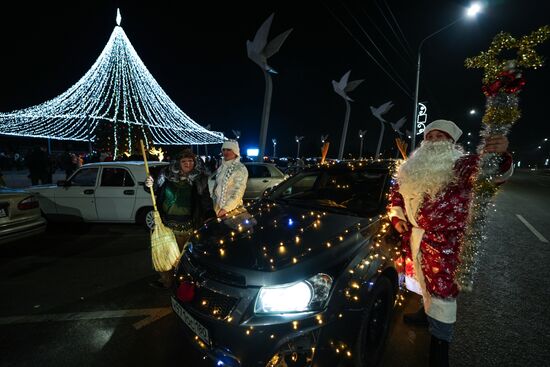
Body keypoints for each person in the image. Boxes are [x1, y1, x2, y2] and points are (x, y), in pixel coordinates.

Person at [388, 119, 512, 367]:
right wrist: (397, 217)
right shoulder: (412, 167)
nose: (434, 141)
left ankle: (440, 347)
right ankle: (425, 314)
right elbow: (397, 194)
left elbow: (487, 170)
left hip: (445, 243)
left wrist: (500, 156)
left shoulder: (459, 166)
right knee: (423, 283)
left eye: (440, 137)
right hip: (416, 237)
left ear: (451, 143)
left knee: (443, 294)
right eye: (430, 136)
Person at [145, 149, 216, 289]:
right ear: (178, 163)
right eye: (184, 161)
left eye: (190, 161)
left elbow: (205, 199)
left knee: (184, 258)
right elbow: (154, 189)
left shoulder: (199, 179)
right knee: (166, 255)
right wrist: (148, 184)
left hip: (188, 224)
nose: (187, 164)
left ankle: (183, 284)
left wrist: (209, 214)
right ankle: (166, 281)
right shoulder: (166, 175)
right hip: (167, 224)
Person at [209, 140, 248, 218]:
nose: (225, 152)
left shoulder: (240, 168)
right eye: (224, 149)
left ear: (235, 151)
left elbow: (238, 192)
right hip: (218, 209)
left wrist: (225, 209)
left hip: (231, 211)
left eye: (229, 149)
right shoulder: (221, 167)